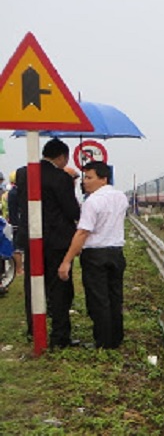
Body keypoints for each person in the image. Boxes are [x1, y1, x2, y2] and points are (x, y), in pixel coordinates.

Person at [16, 138, 82, 347]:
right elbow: (71, 210)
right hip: (57, 242)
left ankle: (33, 330)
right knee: (60, 289)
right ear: (62, 156)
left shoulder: (24, 174)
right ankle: (60, 336)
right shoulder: (60, 178)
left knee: (33, 284)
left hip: (32, 239)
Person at [58, 161, 128, 349]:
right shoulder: (121, 197)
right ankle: (116, 337)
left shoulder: (92, 202)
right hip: (116, 253)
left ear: (103, 179)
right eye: (85, 178)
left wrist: (66, 261)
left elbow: (82, 233)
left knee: (98, 300)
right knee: (115, 297)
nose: (85, 182)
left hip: (95, 255)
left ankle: (103, 341)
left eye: (90, 178)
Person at [5, 170, 23, 276]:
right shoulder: (16, 193)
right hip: (17, 223)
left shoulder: (11, 192)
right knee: (18, 248)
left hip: (14, 221)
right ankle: (19, 269)